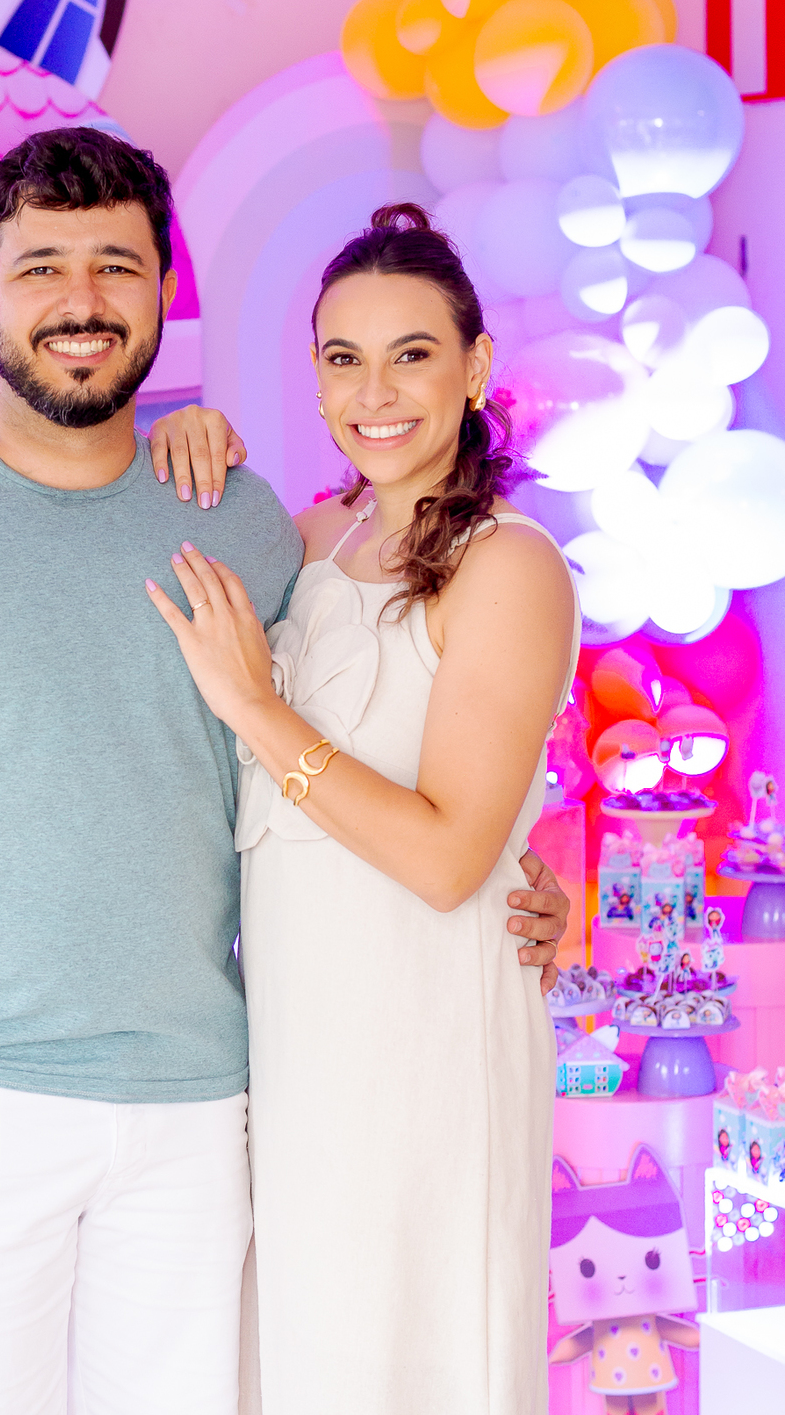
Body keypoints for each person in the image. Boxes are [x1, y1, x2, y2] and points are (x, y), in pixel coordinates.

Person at [0, 133, 568, 1415]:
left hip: (203, 1109)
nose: (82, 299)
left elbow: (430, 760)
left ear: (164, 292)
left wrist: (530, 875)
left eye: (116, 265)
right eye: (42, 266)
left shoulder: (241, 522)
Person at [145, 204, 580, 1414]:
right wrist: (178, 441)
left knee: (410, 1355)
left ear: (475, 366)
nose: (373, 392)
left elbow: (448, 859)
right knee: (306, 1359)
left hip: (427, 1045)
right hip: (297, 1050)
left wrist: (258, 708)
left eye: (412, 354)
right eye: (344, 357)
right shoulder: (306, 542)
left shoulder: (509, 563)